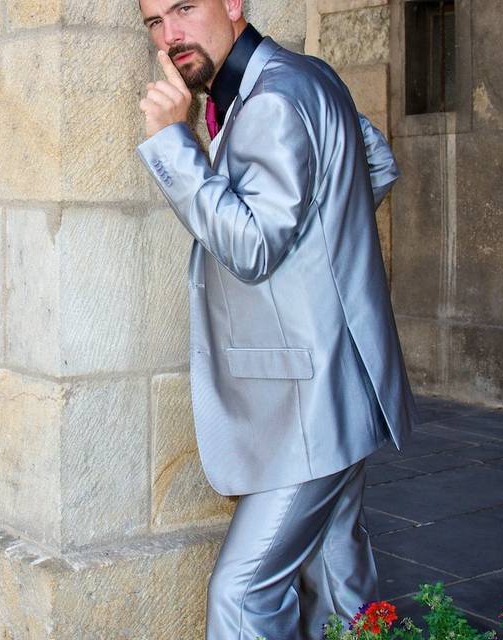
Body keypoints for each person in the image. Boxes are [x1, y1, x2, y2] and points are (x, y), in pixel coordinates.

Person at [135, 1, 417, 638]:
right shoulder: (307, 74)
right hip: (337, 387)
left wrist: (171, 145)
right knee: (343, 589)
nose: (170, 34)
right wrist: (321, 255)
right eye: (153, 22)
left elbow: (254, 247)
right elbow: (372, 161)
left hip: (308, 405)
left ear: (233, 3)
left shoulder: (271, 99)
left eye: (184, 8)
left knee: (242, 595)